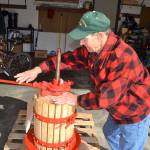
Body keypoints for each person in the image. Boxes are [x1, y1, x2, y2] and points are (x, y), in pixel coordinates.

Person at [14, 11, 150, 150]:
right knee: (109, 134)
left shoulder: (123, 57)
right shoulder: (94, 49)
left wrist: (74, 99)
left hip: (135, 113)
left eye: (84, 38)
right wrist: (37, 69)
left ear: (99, 35)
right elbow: (67, 59)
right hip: (117, 109)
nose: (80, 42)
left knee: (130, 145)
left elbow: (106, 98)